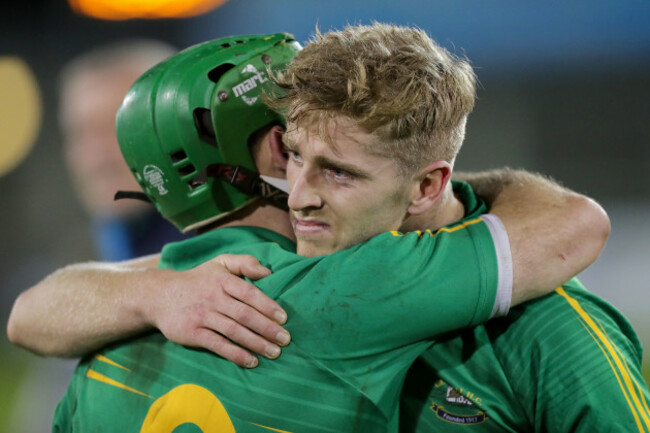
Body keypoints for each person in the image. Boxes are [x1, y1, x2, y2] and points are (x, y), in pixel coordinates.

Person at [5, 27, 611, 431]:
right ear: (273, 147)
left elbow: (28, 314)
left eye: (337, 169)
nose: (303, 193)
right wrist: (402, 181)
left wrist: (151, 293)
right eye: (298, 152)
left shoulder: (137, 313)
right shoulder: (351, 288)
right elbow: (578, 222)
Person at [59, 38, 186, 261]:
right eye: (80, 133)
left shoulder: (238, 250)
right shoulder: (91, 252)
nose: (96, 156)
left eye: (116, 127)